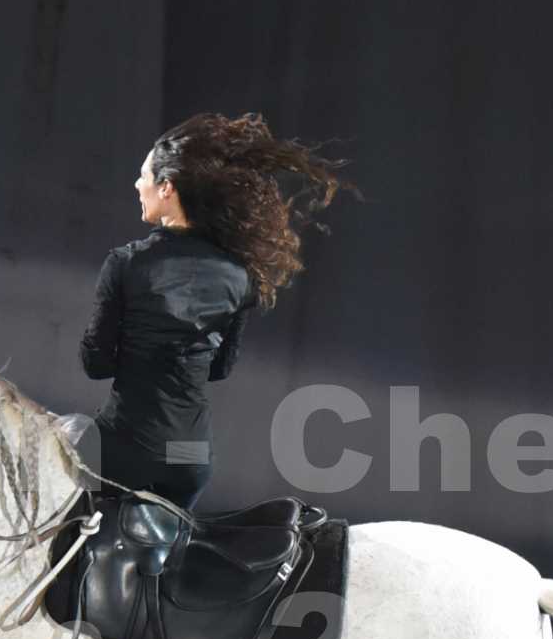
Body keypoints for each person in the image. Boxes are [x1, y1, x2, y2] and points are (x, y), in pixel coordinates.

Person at [79, 111, 359, 511]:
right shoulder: (239, 274)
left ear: (167, 188)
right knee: (171, 549)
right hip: (191, 457)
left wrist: (137, 350)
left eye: (144, 176)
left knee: (76, 538)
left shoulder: (128, 263)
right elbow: (220, 368)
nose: (137, 184)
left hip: (127, 451)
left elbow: (96, 363)